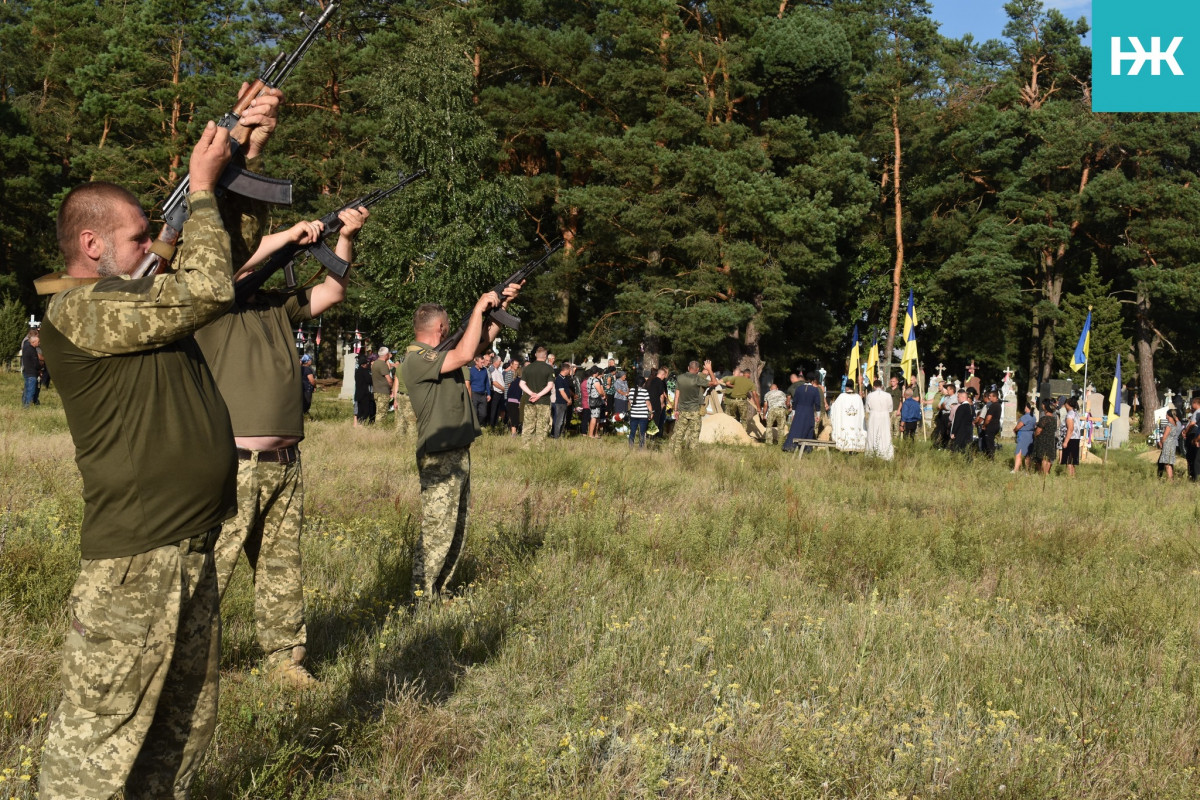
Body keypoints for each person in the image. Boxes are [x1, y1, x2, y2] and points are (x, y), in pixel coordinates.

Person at [35, 114, 254, 799]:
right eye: (139, 238)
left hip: (189, 545)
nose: (154, 246)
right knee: (94, 747)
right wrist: (199, 186)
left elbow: (221, 264)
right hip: (136, 561)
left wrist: (241, 157)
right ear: (92, 244)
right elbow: (207, 287)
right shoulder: (79, 310)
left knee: (180, 732)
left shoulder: (133, 300)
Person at [194, 202, 367, 688]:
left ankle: (284, 661)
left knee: (281, 567)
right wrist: (291, 236)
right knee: (213, 570)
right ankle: (185, 663)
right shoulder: (210, 304)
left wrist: (345, 238)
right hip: (233, 463)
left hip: (286, 462)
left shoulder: (275, 304)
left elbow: (333, 291)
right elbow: (224, 268)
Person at [401, 284, 521, 599]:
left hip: (457, 452)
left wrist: (498, 309)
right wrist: (479, 308)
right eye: (449, 325)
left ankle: (439, 590)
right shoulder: (416, 359)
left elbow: (479, 342)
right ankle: (420, 597)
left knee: (455, 530)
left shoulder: (441, 357)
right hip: (439, 455)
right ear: (440, 328)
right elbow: (467, 352)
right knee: (437, 531)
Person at [670, 359, 717, 453]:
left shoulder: (680, 378)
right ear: (697, 369)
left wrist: (675, 410)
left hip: (682, 411)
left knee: (679, 435)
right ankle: (692, 456)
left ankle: (675, 455)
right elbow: (714, 382)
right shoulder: (697, 379)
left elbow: (677, 395)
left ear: (688, 368)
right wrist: (710, 369)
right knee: (694, 435)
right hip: (694, 411)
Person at [519, 346, 555, 442]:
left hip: (529, 400)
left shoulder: (527, 368)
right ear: (545, 356)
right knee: (542, 426)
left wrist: (532, 394)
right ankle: (540, 449)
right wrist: (538, 395)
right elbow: (550, 385)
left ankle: (525, 447)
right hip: (543, 401)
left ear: (535, 355)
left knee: (528, 425)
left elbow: (521, 384)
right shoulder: (549, 368)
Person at [783, 371, 823, 452]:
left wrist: (794, 413)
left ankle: (789, 446)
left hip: (799, 411)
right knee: (808, 428)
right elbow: (818, 404)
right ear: (813, 380)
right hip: (809, 411)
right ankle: (807, 448)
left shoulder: (799, 389)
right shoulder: (815, 390)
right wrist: (818, 415)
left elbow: (795, 402)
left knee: (796, 428)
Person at [865, 379, 895, 461]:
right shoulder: (888, 395)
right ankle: (886, 453)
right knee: (885, 433)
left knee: (873, 433)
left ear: (874, 387)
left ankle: (872, 453)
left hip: (874, 416)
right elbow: (890, 408)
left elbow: (867, 409)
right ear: (881, 386)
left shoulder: (870, 395)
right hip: (884, 416)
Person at [722, 368, 758, 433]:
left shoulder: (736, 378)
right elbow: (754, 395)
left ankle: (730, 432)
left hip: (732, 400)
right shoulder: (750, 383)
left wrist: (734, 386)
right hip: (742, 401)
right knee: (743, 418)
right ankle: (743, 434)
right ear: (749, 375)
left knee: (732, 417)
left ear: (743, 374)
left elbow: (727, 383)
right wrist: (757, 406)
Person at [1030, 401, 1058, 474]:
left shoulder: (1044, 419)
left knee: (1043, 458)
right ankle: (1047, 473)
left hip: (1043, 440)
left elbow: (1039, 430)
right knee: (1048, 458)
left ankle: (1043, 473)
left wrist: (1035, 435)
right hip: (1051, 440)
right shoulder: (1054, 420)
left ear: (1046, 409)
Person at [627, 373, 651, 447]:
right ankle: (641, 447)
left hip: (634, 414)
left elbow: (630, 402)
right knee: (642, 432)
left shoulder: (631, 391)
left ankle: (631, 445)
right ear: (643, 384)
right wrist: (651, 413)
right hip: (643, 415)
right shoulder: (645, 392)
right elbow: (648, 404)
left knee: (632, 431)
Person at [977, 389, 1002, 459]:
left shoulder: (993, 406)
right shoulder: (998, 405)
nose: (989, 397)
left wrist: (984, 425)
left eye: (990, 396)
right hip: (996, 425)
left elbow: (988, 418)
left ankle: (990, 458)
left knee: (989, 443)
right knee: (990, 441)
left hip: (991, 426)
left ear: (995, 397)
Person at [949, 389, 975, 455]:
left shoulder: (961, 407)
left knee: (957, 448)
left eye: (958, 397)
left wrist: (953, 432)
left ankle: (956, 461)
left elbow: (957, 420)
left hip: (961, 431)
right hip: (968, 431)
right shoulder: (971, 407)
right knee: (966, 448)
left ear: (963, 397)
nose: (957, 399)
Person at [1012, 400, 1036, 473]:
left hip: (1023, 435)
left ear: (1027, 407)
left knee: (1019, 452)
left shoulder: (1026, 417)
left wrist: (1014, 430)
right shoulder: (1033, 417)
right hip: (1030, 435)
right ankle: (1028, 471)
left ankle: (1016, 469)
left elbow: (1019, 426)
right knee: (1028, 454)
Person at [1158, 408, 1182, 480]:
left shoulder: (1169, 425)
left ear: (1168, 415)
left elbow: (1165, 436)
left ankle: (1170, 479)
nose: (1165, 415)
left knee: (1167, 463)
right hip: (1173, 444)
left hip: (1167, 444)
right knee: (1169, 462)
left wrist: (1161, 442)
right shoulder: (1175, 424)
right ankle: (1171, 478)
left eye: (1166, 414)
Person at [20, 328, 42, 406]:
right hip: (31, 373)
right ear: (33, 342)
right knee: (31, 390)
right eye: (38, 341)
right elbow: (36, 363)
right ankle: (27, 407)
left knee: (27, 389)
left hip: (26, 371)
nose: (39, 343)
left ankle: (24, 403)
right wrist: (40, 369)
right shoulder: (31, 350)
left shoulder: (26, 345)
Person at [1060, 397, 1081, 476]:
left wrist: (1065, 441)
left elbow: (1070, 428)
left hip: (1070, 438)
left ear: (1068, 404)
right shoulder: (1076, 413)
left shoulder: (1069, 415)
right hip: (1076, 438)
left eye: (1066, 403)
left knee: (1069, 461)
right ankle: (1073, 476)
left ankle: (1069, 477)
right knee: (1072, 461)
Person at [552, 362, 573, 438]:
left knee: (563, 421)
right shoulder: (559, 379)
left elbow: (567, 390)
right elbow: (562, 392)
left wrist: (569, 398)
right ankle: (556, 436)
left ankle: (561, 435)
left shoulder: (565, 378)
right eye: (569, 369)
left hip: (565, 402)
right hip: (560, 402)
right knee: (559, 421)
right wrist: (568, 400)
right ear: (566, 370)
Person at [468, 354, 491, 425]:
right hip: (474, 393)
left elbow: (487, 382)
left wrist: (489, 394)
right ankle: (475, 427)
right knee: (474, 412)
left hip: (483, 394)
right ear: (476, 362)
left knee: (483, 414)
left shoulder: (484, 371)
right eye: (481, 362)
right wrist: (469, 394)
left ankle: (480, 424)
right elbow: (468, 383)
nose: (483, 364)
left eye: (483, 362)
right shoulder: (471, 370)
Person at [354, 353, 376, 425]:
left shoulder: (357, 371)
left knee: (360, 411)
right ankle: (361, 423)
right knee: (366, 411)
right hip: (364, 394)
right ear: (364, 364)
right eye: (366, 363)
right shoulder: (364, 371)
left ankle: (359, 423)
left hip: (358, 394)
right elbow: (369, 380)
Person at [585, 367, 606, 438]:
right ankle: (591, 434)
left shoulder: (589, 379)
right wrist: (603, 395)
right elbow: (600, 391)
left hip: (590, 399)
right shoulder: (595, 380)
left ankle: (594, 434)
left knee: (595, 416)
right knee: (594, 417)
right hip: (596, 400)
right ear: (596, 373)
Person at [1183, 396, 1200, 481]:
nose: (1191, 405)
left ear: (1196, 403)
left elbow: (1192, 424)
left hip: (1194, 435)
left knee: (1193, 458)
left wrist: (1186, 432)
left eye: (1193, 403)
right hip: (1196, 436)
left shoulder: (1197, 412)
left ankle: (1194, 477)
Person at [506, 362, 523, 435]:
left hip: (510, 401)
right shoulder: (521, 382)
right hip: (516, 401)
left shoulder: (513, 382)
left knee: (513, 417)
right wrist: (520, 402)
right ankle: (515, 433)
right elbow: (519, 393)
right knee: (516, 418)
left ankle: (513, 432)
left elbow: (509, 392)